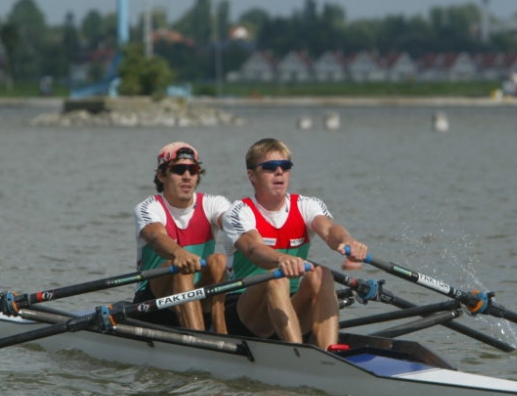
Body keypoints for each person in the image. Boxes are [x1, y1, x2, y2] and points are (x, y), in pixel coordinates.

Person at [222, 138, 368, 349]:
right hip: (246, 314)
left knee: (322, 274)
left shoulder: (307, 205)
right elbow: (254, 249)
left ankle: (329, 353)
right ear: (252, 176)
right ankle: (297, 354)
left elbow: (329, 229)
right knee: (275, 277)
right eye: (270, 167)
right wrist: (282, 259)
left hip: (290, 306)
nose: (279, 172)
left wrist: (347, 242)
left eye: (285, 167)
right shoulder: (238, 211)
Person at [133, 141, 230, 332]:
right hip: (155, 303)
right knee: (178, 266)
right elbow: (156, 238)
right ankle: (198, 340)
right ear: (162, 175)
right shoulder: (149, 207)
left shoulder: (213, 203)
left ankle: (221, 335)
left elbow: (236, 224)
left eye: (192, 170)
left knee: (219, 260)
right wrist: (179, 253)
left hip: (198, 296)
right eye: (179, 169)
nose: (187, 176)